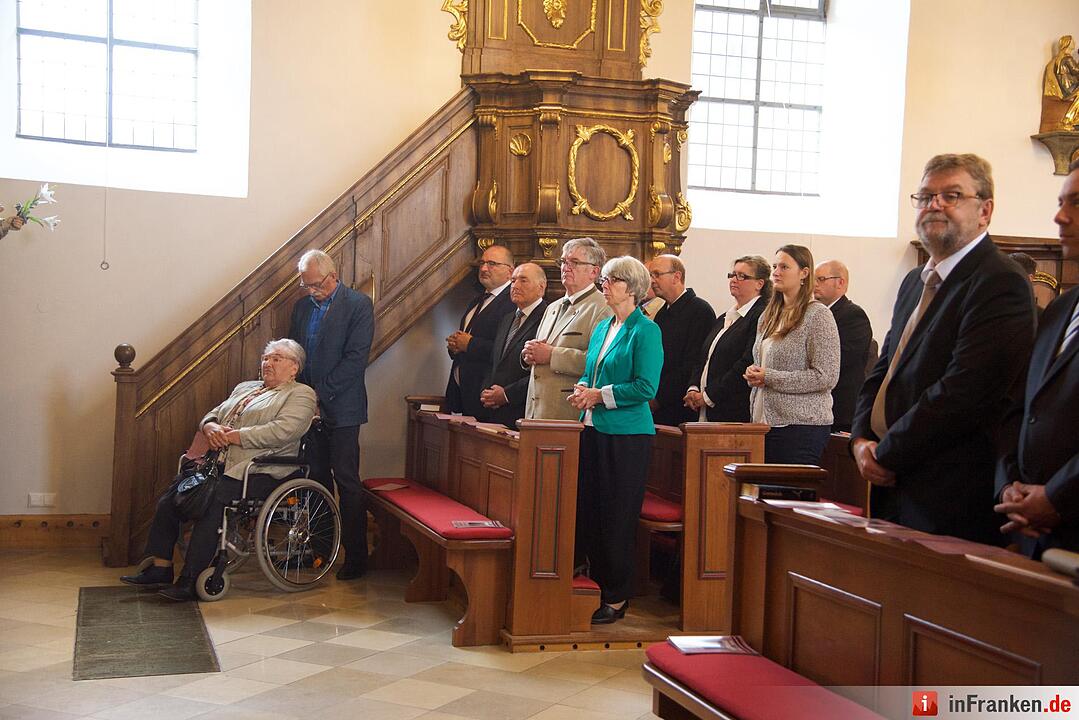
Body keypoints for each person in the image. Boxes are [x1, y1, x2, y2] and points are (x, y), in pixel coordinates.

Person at [851, 154, 1034, 544]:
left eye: (951, 195)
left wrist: (885, 454)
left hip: (950, 492)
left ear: (985, 211)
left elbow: (964, 393)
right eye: (925, 195)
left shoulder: (999, 281)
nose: (934, 204)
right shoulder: (914, 282)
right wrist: (860, 439)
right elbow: (885, 368)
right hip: (892, 482)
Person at [120, 340, 317, 600]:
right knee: (171, 497)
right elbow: (213, 413)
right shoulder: (246, 388)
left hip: (262, 469)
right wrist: (210, 427)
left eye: (277, 358)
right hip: (219, 464)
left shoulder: (300, 394)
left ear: (294, 367)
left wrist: (236, 436)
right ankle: (160, 568)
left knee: (214, 503)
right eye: (266, 357)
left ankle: (190, 579)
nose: (268, 363)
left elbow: (284, 431)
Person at [568, 255, 663, 624]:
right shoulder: (604, 325)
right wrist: (584, 391)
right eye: (604, 278)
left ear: (631, 287)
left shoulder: (646, 330)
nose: (604, 284)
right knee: (589, 510)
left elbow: (645, 386)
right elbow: (593, 374)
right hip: (592, 429)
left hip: (627, 436)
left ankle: (617, 595)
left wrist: (599, 395)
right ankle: (592, 584)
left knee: (617, 515)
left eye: (611, 279)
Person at [995, 159, 1079, 555]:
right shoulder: (1059, 311)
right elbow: (1021, 407)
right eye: (1062, 201)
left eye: (1075, 203)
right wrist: (1009, 486)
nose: (1059, 217)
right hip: (1029, 529)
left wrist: (1057, 498)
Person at [288, 249, 375, 580]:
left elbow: (355, 359)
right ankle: (320, 550)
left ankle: (356, 557)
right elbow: (294, 352)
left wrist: (318, 395)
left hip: (343, 406)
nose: (311, 291)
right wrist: (299, 397)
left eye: (315, 285)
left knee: (347, 481)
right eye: (306, 285)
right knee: (314, 478)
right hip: (306, 408)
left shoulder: (357, 305)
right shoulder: (301, 307)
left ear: (332, 277)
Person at [744, 245, 839, 464]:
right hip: (762, 424)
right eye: (775, 266)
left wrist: (769, 376)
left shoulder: (818, 315)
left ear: (804, 273)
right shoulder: (768, 315)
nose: (776, 272)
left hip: (800, 427)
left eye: (784, 267)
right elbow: (763, 363)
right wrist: (754, 372)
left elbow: (826, 376)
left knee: (788, 496)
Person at [523, 237, 612, 420]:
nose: (566, 267)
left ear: (594, 271)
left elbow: (600, 362)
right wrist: (529, 354)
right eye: (563, 261)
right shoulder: (552, 307)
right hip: (535, 409)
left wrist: (551, 355)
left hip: (566, 411)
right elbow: (541, 353)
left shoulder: (603, 307)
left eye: (575, 262)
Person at [684, 255, 771, 422]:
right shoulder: (725, 317)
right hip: (705, 407)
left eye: (742, 276)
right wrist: (693, 388)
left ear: (759, 284)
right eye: (732, 275)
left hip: (733, 409)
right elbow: (703, 356)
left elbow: (746, 362)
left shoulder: (761, 315)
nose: (734, 280)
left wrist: (709, 395)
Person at [445, 245, 516, 418]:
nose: (484, 268)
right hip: (463, 394)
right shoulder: (477, 300)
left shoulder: (512, 302)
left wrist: (469, 344)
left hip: (487, 395)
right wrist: (455, 345)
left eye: (492, 264)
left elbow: (507, 350)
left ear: (510, 271)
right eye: (482, 263)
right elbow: (467, 339)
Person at [480, 263, 548, 428]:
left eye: (523, 280)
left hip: (523, 411)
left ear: (541, 287)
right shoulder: (507, 318)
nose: (515, 286)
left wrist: (506, 394)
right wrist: (487, 391)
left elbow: (541, 373)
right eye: (513, 281)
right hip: (493, 411)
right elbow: (494, 361)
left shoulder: (547, 318)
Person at [649, 254, 716, 426]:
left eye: (657, 274)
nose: (652, 280)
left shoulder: (700, 311)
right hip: (658, 401)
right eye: (650, 275)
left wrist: (659, 398)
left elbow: (693, 363)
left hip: (681, 405)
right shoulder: (662, 312)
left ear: (676, 276)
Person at [812, 259, 873, 432]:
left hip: (841, 409)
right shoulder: (814, 313)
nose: (815, 285)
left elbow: (842, 357)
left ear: (840, 283)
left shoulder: (853, 315)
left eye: (821, 279)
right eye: (813, 280)